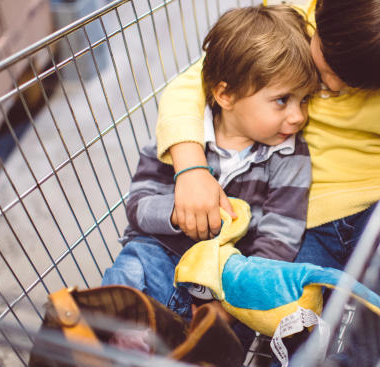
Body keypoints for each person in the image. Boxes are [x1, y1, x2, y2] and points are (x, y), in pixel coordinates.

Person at [155, 0, 380, 365]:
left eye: (353, 82)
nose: (330, 83)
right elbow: (194, 83)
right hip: (301, 216)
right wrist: (191, 169)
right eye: (326, 61)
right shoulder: (296, 16)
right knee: (289, 313)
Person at [101, 4, 318, 353]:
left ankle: (180, 348)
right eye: (282, 100)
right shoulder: (182, 140)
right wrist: (177, 213)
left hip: (224, 280)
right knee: (129, 270)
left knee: (227, 339)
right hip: (161, 254)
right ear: (225, 95)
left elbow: (282, 234)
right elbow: (138, 207)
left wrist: (234, 298)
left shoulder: (290, 157)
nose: (297, 116)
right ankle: (111, 340)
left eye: (304, 99)